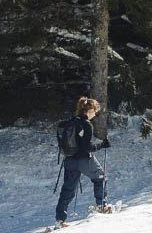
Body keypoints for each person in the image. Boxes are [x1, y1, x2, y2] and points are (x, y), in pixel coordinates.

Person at [55, 97, 113, 227]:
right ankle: (102, 206)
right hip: (84, 160)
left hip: (69, 161)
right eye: (94, 110)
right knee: (101, 177)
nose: (95, 113)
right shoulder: (86, 124)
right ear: (88, 110)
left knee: (67, 189)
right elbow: (87, 147)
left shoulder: (71, 122)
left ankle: (60, 220)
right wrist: (102, 145)